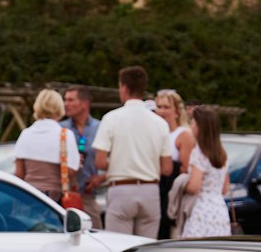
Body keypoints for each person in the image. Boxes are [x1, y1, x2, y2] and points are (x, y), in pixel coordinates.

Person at [92, 65, 171, 238]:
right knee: (146, 249)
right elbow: (167, 168)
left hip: (122, 188)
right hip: (150, 189)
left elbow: (99, 161)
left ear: (124, 87)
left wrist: (120, 162)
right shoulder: (160, 123)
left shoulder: (111, 118)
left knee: (118, 247)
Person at [14, 89, 79, 203]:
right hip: (55, 199)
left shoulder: (26, 134)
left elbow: (19, 173)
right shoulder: (65, 135)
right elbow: (71, 171)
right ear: (59, 107)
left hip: (29, 196)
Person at [181, 105, 231, 238]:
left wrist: (181, 184)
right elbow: (225, 188)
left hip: (201, 211)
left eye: (192, 122)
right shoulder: (222, 153)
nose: (190, 125)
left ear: (199, 127)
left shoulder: (199, 153)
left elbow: (194, 187)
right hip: (219, 210)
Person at [154, 89, 195, 238]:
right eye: (159, 107)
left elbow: (186, 169)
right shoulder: (156, 134)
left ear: (177, 111)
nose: (162, 111)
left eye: (166, 107)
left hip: (170, 195)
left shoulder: (183, 135)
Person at [61, 85, 103, 227]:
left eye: (71, 100)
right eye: (65, 100)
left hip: (89, 197)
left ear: (85, 103)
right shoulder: (60, 128)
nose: (66, 104)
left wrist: (102, 177)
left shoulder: (101, 127)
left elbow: (116, 159)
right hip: (63, 198)